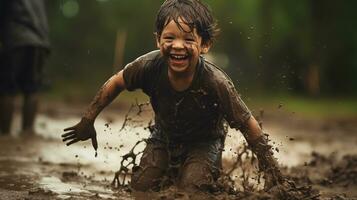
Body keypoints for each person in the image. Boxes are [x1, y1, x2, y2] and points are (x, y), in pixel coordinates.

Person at [62, 0, 284, 193]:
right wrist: (88, 120)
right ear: (158, 40)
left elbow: (249, 125)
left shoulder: (216, 82)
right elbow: (116, 82)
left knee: (191, 190)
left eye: (188, 39)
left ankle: (201, 171)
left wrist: (271, 170)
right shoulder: (148, 66)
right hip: (164, 136)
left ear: (204, 45)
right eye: (169, 38)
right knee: (141, 187)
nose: (178, 46)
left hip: (205, 142)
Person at [0, 0, 50, 135]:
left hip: (15, 39)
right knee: (32, 88)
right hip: (40, 42)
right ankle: (28, 131)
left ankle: (4, 134)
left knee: (6, 88)